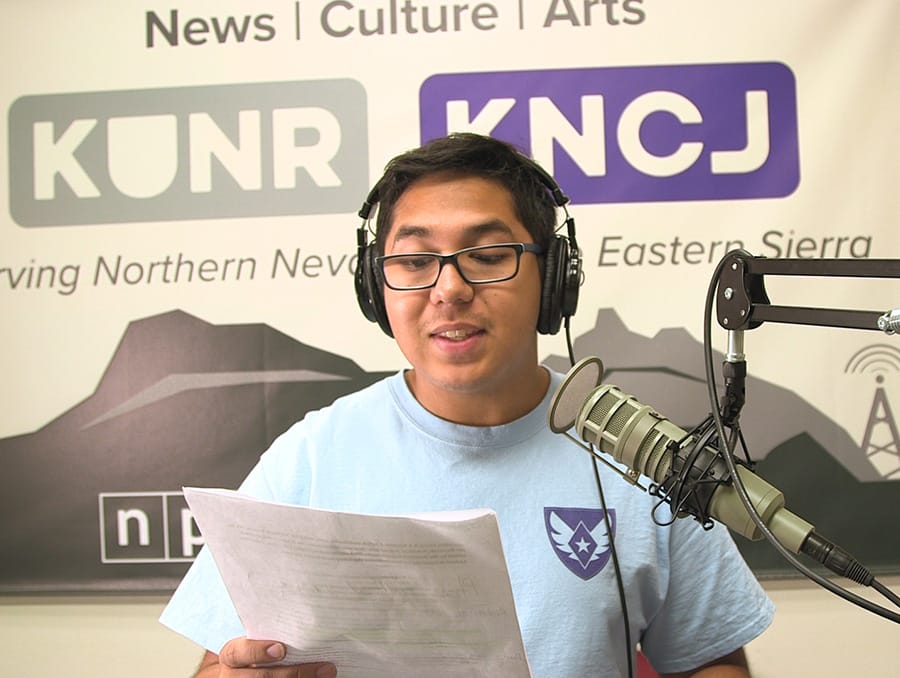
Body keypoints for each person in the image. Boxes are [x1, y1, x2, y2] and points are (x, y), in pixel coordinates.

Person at [160, 132, 774, 677]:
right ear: (377, 288)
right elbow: (218, 662)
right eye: (415, 261)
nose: (449, 289)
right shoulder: (310, 459)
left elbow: (711, 659)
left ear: (553, 279)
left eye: (487, 256)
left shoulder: (640, 452)